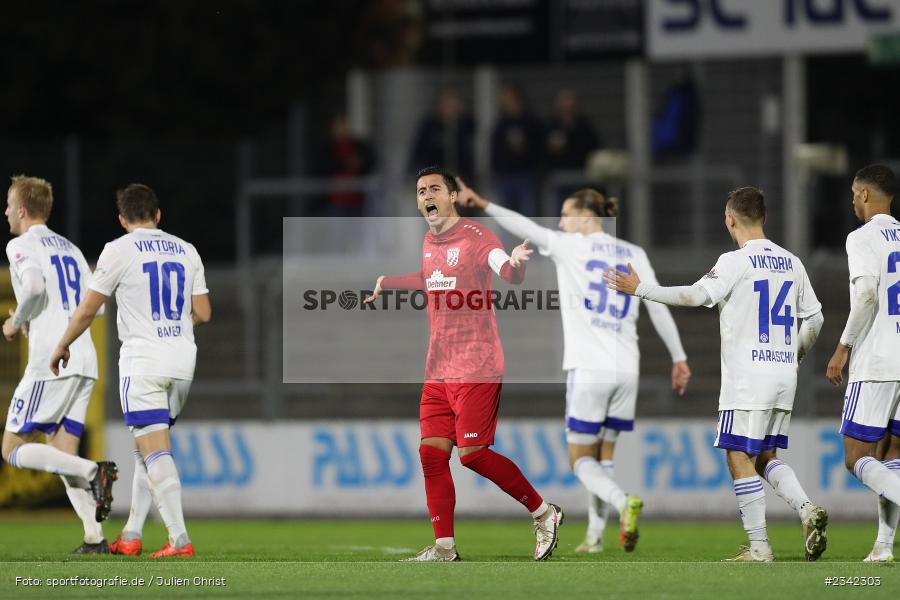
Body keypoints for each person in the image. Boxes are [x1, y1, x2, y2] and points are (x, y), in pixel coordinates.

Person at [457, 179, 689, 554]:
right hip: (628, 367)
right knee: (604, 456)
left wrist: (484, 202)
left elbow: (525, 227)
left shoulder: (569, 246)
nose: (560, 223)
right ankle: (596, 537)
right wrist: (678, 356)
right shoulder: (634, 252)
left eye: (565, 216)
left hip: (589, 367)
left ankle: (620, 501)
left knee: (580, 460)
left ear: (585, 217)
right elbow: (657, 305)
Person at [606, 187, 828, 562]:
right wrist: (795, 355)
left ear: (730, 219)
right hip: (782, 375)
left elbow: (695, 296)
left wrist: (639, 288)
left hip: (748, 376)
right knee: (765, 455)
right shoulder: (792, 262)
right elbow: (817, 318)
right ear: (765, 218)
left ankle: (759, 547)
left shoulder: (734, 261)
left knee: (737, 455)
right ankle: (807, 509)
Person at [364, 166, 563, 561]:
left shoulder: (477, 237)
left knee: (472, 455)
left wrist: (517, 264)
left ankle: (543, 512)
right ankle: (444, 546)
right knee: (431, 454)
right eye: (421, 191)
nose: (426, 197)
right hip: (438, 368)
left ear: (453, 196)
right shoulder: (428, 239)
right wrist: (387, 282)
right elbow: (430, 277)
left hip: (476, 363)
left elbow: (505, 270)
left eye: (434, 189)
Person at [50, 183, 212, 558]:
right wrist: (175, 329)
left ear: (122, 219)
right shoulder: (187, 250)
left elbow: (89, 309)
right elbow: (203, 313)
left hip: (144, 362)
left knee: (154, 451)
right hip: (182, 361)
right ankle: (133, 533)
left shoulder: (118, 250)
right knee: (146, 449)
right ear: (158, 215)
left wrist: (63, 343)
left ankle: (179, 539)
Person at [1, 175, 116, 554]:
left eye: (7, 205)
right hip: (83, 357)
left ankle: (92, 471)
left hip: (52, 360)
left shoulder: (21, 244)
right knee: (62, 452)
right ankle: (94, 538)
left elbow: (33, 287)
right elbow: (95, 307)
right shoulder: (71, 249)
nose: (4, 213)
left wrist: (18, 322)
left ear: (21, 209)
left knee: (12, 448)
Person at [825, 164, 900, 563]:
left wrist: (843, 347)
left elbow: (867, 295)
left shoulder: (862, 238)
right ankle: (884, 547)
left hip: (878, 363)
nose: (853, 200)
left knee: (857, 458)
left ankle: (885, 546)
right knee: (893, 459)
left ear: (867, 195)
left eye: (855, 193)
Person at [490, 84, 543, 216]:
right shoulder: (501, 123)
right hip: (504, 177)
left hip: (526, 175)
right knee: (506, 217)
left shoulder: (531, 121)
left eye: (508, 98)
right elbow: (495, 150)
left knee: (528, 215)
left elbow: (538, 147)